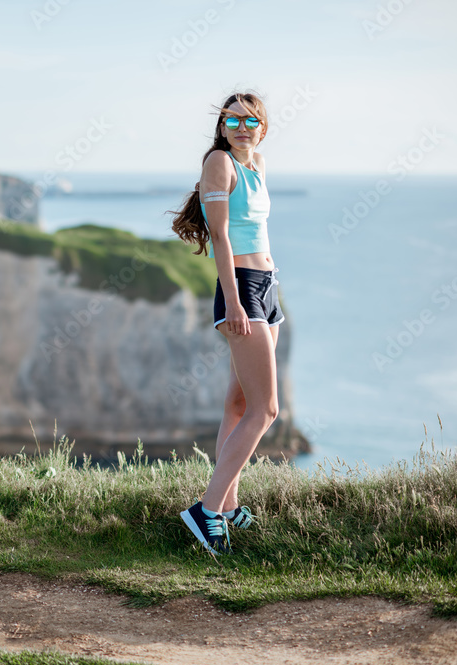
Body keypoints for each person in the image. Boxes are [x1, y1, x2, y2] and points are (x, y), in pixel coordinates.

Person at [168, 91, 282, 555]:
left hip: (267, 286)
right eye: (231, 121)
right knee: (266, 409)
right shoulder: (220, 162)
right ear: (221, 127)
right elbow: (219, 233)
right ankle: (207, 509)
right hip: (241, 289)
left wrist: (269, 288)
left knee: (239, 402)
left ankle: (230, 505)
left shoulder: (256, 165)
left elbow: (257, 230)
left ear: (263, 126)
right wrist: (234, 303)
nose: (240, 128)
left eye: (249, 120)